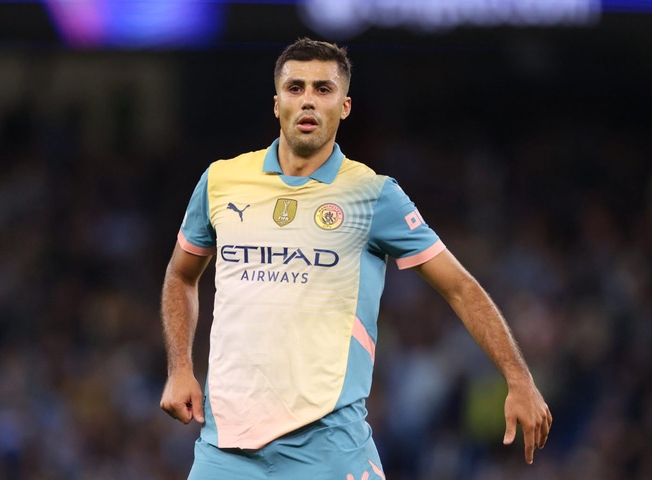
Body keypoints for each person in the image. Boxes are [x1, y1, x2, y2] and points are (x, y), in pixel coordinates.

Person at [160, 37, 552, 479]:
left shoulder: (374, 194)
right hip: (224, 450)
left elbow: (460, 287)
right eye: (296, 88)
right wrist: (179, 369)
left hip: (328, 448)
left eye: (323, 90)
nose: (308, 100)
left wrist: (518, 378)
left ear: (344, 107)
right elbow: (181, 275)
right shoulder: (221, 181)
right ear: (276, 103)